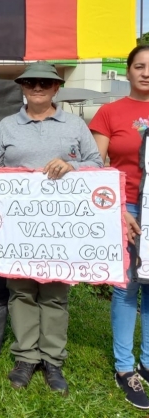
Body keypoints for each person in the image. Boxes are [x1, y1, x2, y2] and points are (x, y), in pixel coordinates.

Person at [0, 62, 103, 395]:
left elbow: (97, 165)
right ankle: (27, 356)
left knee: (56, 295)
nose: (38, 87)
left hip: (60, 229)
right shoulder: (6, 126)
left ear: (57, 87)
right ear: (22, 87)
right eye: (31, 82)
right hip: (17, 230)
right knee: (22, 292)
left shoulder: (74, 125)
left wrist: (72, 166)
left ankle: (53, 359)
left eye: (45, 82)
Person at [89, 45, 149, 410]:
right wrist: (116, 212)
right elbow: (97, 167)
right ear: (126, 72)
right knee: (126, 287)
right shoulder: (110, 113)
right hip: (124, 207)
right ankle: (125, 367)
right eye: (139, 66)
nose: (146, 72)